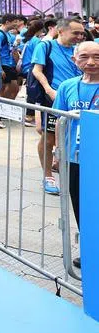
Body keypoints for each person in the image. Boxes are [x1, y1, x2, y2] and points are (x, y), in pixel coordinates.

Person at [52, 40, 99, 268]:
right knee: (81, 207)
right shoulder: (67, 86)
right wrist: (56, 152)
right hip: (74, 159)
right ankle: (90, 249)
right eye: (84, 57)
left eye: (97, 57)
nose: (91, 62)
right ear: (75, 60)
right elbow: (57, 120)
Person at [32, 18, 86, 195]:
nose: (80, 36)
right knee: (48, 137)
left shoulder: (80, 50)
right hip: (54, 97)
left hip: (77, 98)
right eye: (76, 33)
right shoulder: (45, 46)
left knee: (75, 136)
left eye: (82, 33)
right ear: (61, 31)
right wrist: (49, 90)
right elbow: (36, 70)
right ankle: (48, 176)